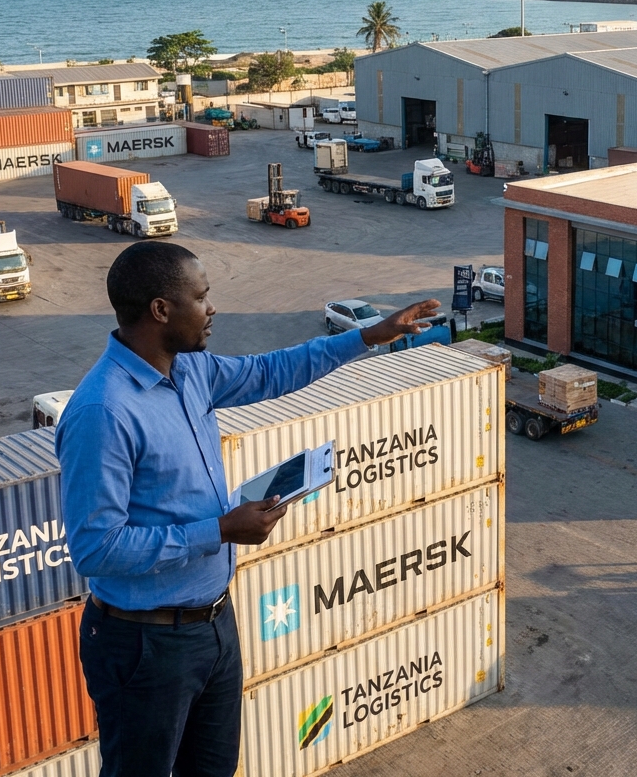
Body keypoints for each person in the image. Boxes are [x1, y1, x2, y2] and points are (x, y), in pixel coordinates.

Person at [55, 242, 439, 777]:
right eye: (202, 297)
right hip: (143, 644)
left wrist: (370, 335)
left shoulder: (191, 371)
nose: (212, 309)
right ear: (161, 310)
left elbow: (271, 371)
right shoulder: (103, 411)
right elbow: (96, 548)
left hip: (214, 624)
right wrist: (218, 530)